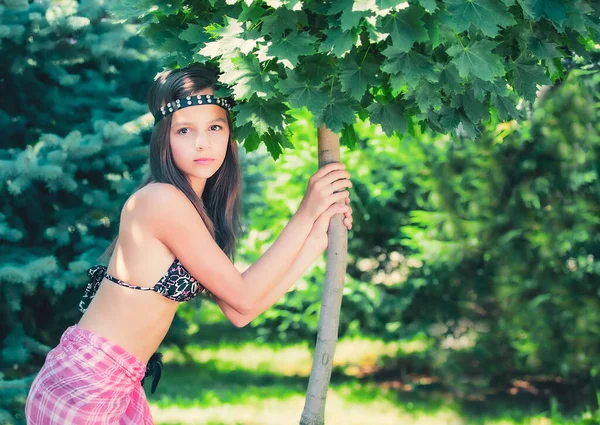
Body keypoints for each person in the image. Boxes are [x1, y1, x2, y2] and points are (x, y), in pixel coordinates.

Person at [24, 64, 353, 424]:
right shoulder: (160, 200)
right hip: (85, 384)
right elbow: (244, 296)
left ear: (229, 133)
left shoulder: (193, 207)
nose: (203, 142)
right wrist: (307, 212)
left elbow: (241, 312)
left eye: (215, 127)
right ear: (164, 138)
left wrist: (319, 235)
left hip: (118, 384)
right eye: (184, 130)